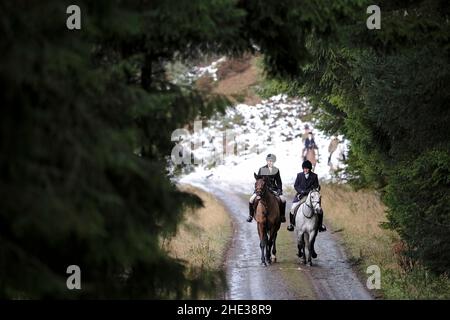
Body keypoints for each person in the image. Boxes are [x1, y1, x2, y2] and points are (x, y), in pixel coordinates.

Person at [287, 160, 326, 232]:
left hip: (311, 196)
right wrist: (301, 191)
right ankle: (291, 224)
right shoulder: (299, 175)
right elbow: (296, 186)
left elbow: (316, 186)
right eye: (304, 168)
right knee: (292, 209)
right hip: (300, 195)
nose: (305, 170)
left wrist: (310, 192)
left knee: (320, 210)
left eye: (307, 168)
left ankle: (320, 225)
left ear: (310, 169)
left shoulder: (314, 176)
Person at [247, 154, 287, 223]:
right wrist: (257, 189)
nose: (270, 162)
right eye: (269, 161)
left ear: (273, 162)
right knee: (251, 200)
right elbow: (258, 180)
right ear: (267, 161)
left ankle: (282, 216)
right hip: (262, 190)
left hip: (273, 189)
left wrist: (279, 189)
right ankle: (251, 215)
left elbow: (279, 182)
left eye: (272, 161)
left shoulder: (276, 170)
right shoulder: (262, 169)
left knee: (283, 200)